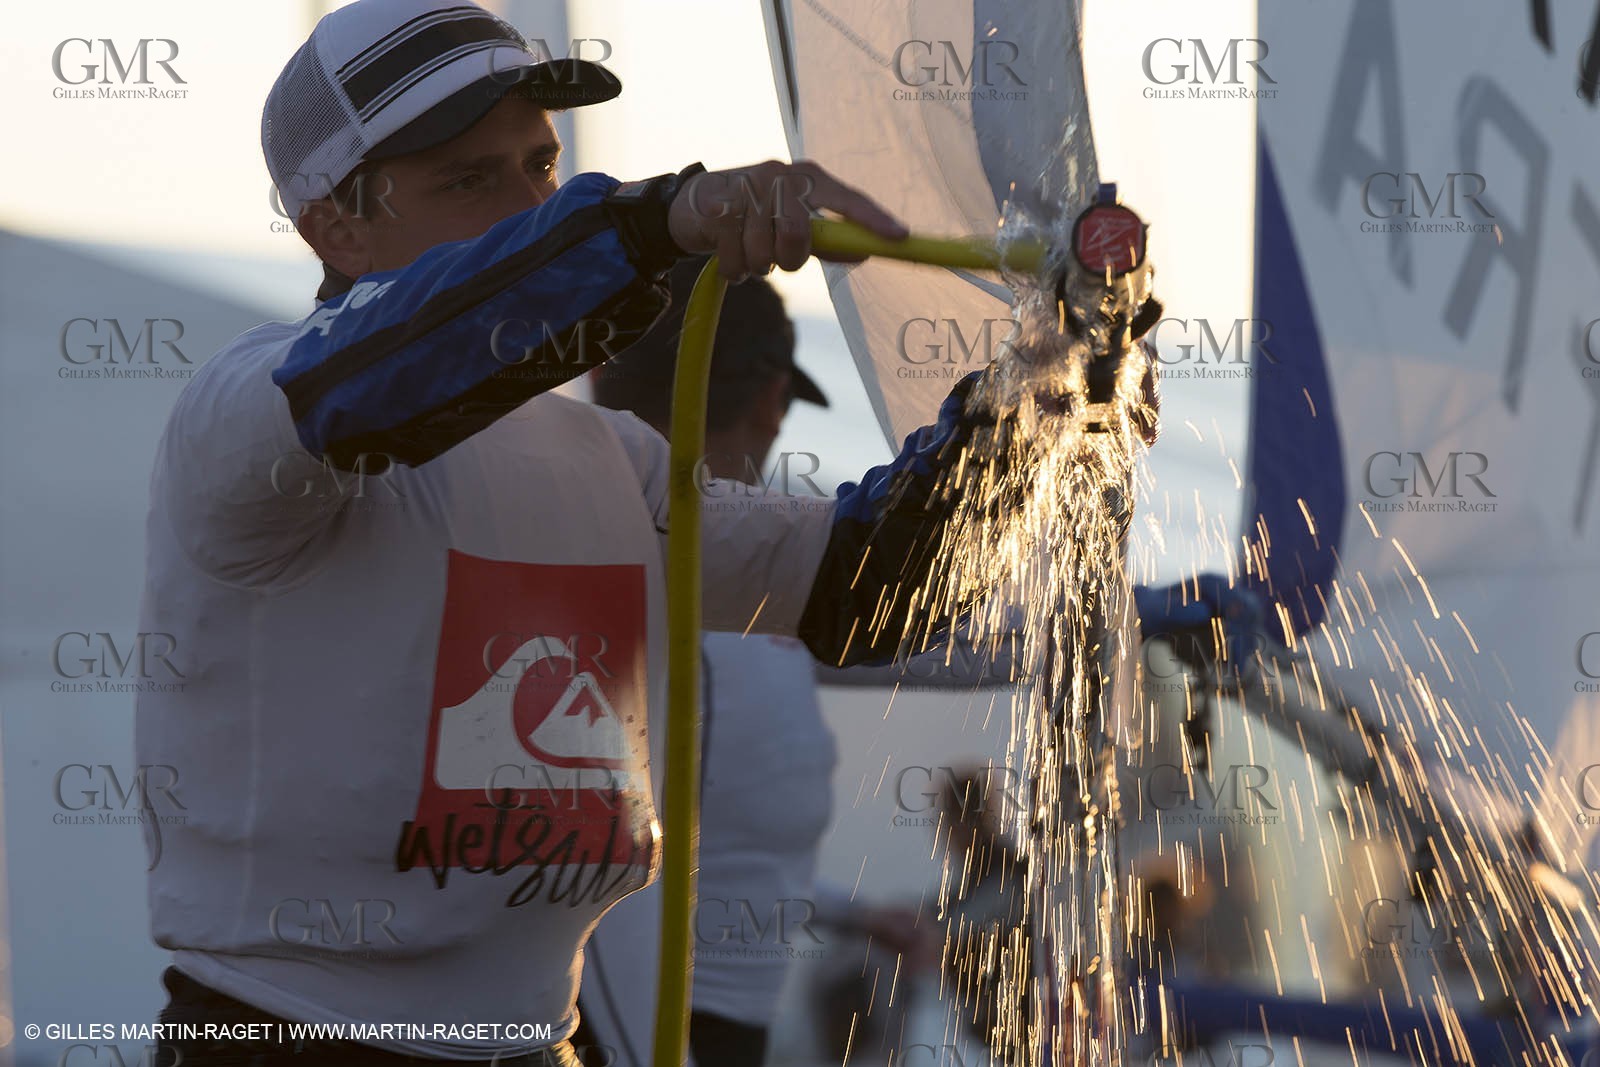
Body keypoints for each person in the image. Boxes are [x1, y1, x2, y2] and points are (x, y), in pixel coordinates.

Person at [133, 2, 1039, 1065]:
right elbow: (387, 366)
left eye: (538, 165)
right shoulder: (247, 410)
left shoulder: (609, 458)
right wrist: (651, 224)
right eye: (469, 179)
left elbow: (866, 587)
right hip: (288, 1040)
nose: (526, 203)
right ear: (334, 225)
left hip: (542, 1042)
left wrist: (1037, 407)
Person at [580, 259, 934, 1066]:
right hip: (652, 1025)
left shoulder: (592, 553)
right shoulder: (751, 595)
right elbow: (936, 632)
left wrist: (850, 914)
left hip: (666, 1016)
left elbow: (734, 861)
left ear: (602, 374)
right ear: (773, 398)